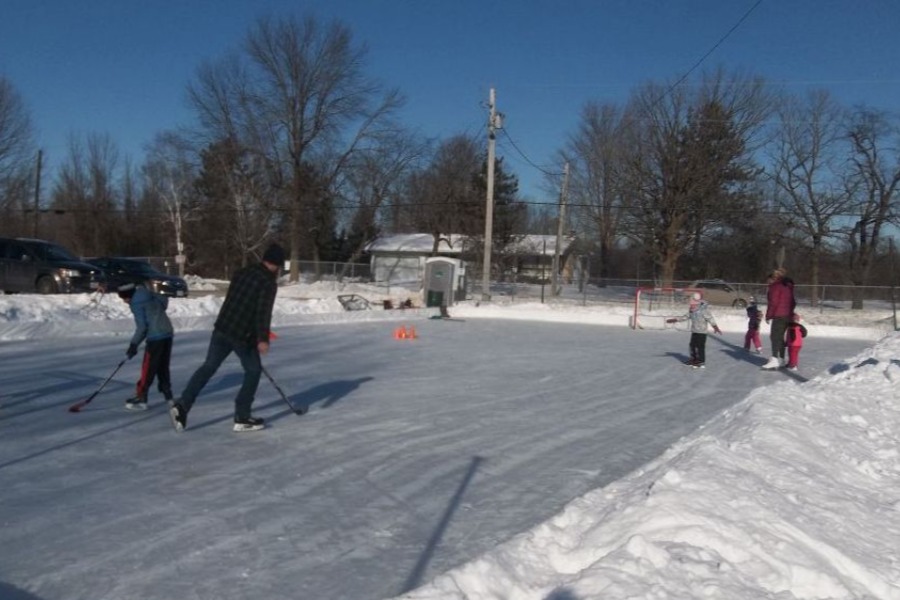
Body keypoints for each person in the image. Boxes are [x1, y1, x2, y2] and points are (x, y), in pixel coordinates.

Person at [169, 243, 285, 433]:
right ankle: (242, 416)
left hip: (222, 328)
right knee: (253, 370)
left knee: (208, 367)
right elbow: (263, 312)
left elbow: (232, 299)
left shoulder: (243, 272)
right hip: (242, 335)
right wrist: (262, 338)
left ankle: (183, 405)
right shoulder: (268, 282)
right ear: (277, 265)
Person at [117, 282, 174, 410]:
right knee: (162, 366)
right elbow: (164, 302)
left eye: (124, 298)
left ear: (128, 296)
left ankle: (141, 397)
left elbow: (142, 327)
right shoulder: (149, 295)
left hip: (155, 338)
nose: (124, 301)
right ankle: (168, 394)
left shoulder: (136, 304)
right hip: (167, 333)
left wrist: (133, 345)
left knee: (148, 368)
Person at [668, 292, 722, 369]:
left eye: (693, 304)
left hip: (702, 332)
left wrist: (715, 327)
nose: (691, 305)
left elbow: (710, 318)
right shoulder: (691, 310)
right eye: (691, 304)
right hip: (695, 331)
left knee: (700, 347)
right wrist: (675, 319)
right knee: (692, 345)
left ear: (698, 303)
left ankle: (701, 361)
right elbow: (685, 317)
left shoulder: (704, 310)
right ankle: (693, 359)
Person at [762, 268, 797, 370]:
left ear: (773, 278)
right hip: (787, 315)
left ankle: (774, 359)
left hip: (779, 315)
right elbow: (793, 302)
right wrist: (790, 312)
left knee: (774, 336)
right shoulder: (787, 286)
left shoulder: (775, 286)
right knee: (780, 337)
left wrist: (768, 316)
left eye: (768, 279)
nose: (767, 282)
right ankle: (781, 359)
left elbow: (773, 303)